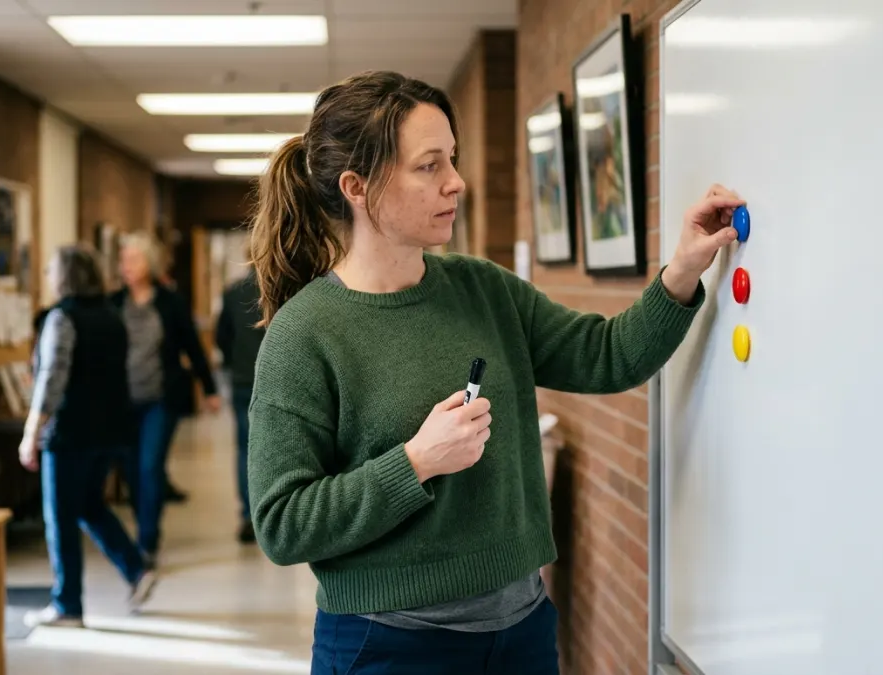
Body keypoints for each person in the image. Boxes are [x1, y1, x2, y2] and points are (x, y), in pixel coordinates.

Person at [246, 70, 743, 674]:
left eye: (451, 159)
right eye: (429, 166)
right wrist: (416, 462)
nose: (457, 182)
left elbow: (609, 355)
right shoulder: (304, 334)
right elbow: (282, 524)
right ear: (357, 186)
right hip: (389, 648)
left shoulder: (483, 288)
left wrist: (685, 267)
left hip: (523, 630)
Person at [19, 245, 158, 628]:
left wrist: (31, 432)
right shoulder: (112, 317)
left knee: (60, 516)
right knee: (89, 506)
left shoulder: (62, 318)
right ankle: (136, 569)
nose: (47, 277)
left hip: (70, 434)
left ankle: (67, 605)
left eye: (50, 271)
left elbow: (51, 380)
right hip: (109, 431)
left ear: (64, 276)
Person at [112, 231, 223, 567]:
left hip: (161, 398)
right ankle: (144, 525)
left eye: (134, 259)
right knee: (131, 471)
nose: (126, 266)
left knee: (149, 466)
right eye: (123, 260)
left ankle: (147, 542)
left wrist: (210, 388)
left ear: (150, 263)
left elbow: (191, 345)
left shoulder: (170, 302)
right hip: (123, 401)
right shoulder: (114, 303)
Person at [214, 260, 266, 544]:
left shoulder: (233, 292)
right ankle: (269, 511)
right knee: (275, 446)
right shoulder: (286, 287)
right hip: (275, 377)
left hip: (243, 378)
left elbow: (222, 337)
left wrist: (234, 362)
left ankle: (248, 515)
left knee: (245, 447)